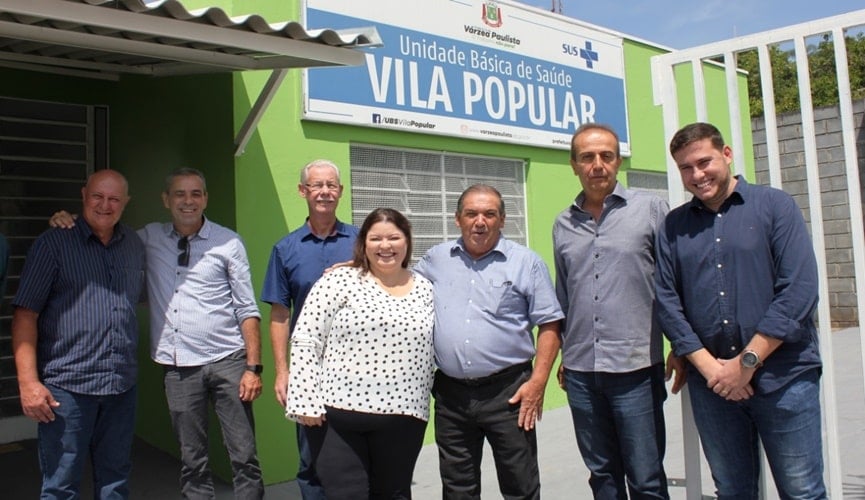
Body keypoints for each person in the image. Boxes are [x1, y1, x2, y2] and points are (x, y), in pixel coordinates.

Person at [51, 167, 265, 499]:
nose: (188, 201)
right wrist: (67, 220)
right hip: (178, 368)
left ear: (206, 198)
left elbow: (247, 307)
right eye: (179, 194)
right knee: (192, 461)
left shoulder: (229, 242)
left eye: (196, 193)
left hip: (229, 362)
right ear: (166, 200)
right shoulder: (146, 238)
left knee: (244, 457)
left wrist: (253, 368)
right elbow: (103, 229)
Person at [655, 122, 826, 499]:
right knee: (732, 491)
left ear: (726, 154)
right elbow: (667, 300)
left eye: (704, 162)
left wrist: (744, 363)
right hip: (713, 386)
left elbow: (798, 290)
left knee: (802, 491)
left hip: (785, 379)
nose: (697, 175)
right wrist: (713, 369)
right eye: (686, 167)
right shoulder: (673, 226)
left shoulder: (775, 206)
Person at [553, 123, 681, 499]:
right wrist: (564, 351)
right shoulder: (563, 223)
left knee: (645, 476)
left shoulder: (651, 210)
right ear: (573, 163)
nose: (597, 165)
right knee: (602, 474)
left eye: (606, 156)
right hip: (580, 372)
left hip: (636, 369)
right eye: (587, 157)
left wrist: (680, 346)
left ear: (618, 161)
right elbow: (566, 295)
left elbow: (673, 285)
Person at [414, 184, 564, 499]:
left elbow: (550, 324)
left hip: (509, 393)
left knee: (520, 484)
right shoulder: (436, 259)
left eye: (489, 214)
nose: (479, 221)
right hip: (451, 396)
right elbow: (396, 282)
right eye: (471, 214)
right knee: (457, 487)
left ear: (502, 220)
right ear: (458, 219)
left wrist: (538, 382)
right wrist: (356, 267)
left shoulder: (526, 262)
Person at [12, 169, 146, 498]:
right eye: (98, 196)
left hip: (120, 387)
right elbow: (25, 314)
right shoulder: (54, 243)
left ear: (126, 202)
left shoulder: (134, 245)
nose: (105, 205)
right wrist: (29, 383)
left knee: (115, 482)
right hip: (68, 391)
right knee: (60, 487)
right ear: (84, 196)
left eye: (114, 198)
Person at [285, 208, 435, 499]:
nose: (386, 246)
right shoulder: (338, 281)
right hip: (338, 419)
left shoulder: (425, 288)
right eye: (376, 238)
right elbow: (306, 338)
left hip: (404, 418)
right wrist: (305, 399)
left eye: (394, 237)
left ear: (407, 242)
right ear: (363, 243)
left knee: (395, 495)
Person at [261, 159, 358, 499]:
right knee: (312, 461)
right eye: (317, 185)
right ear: (303, 191)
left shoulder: (362, 243)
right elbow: (279, 315)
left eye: (331, 185)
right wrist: (282, 371)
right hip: (308, 370)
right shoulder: (286, 249)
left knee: (358, 458)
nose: (324, 192)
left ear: (341, 192)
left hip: (357, 368)